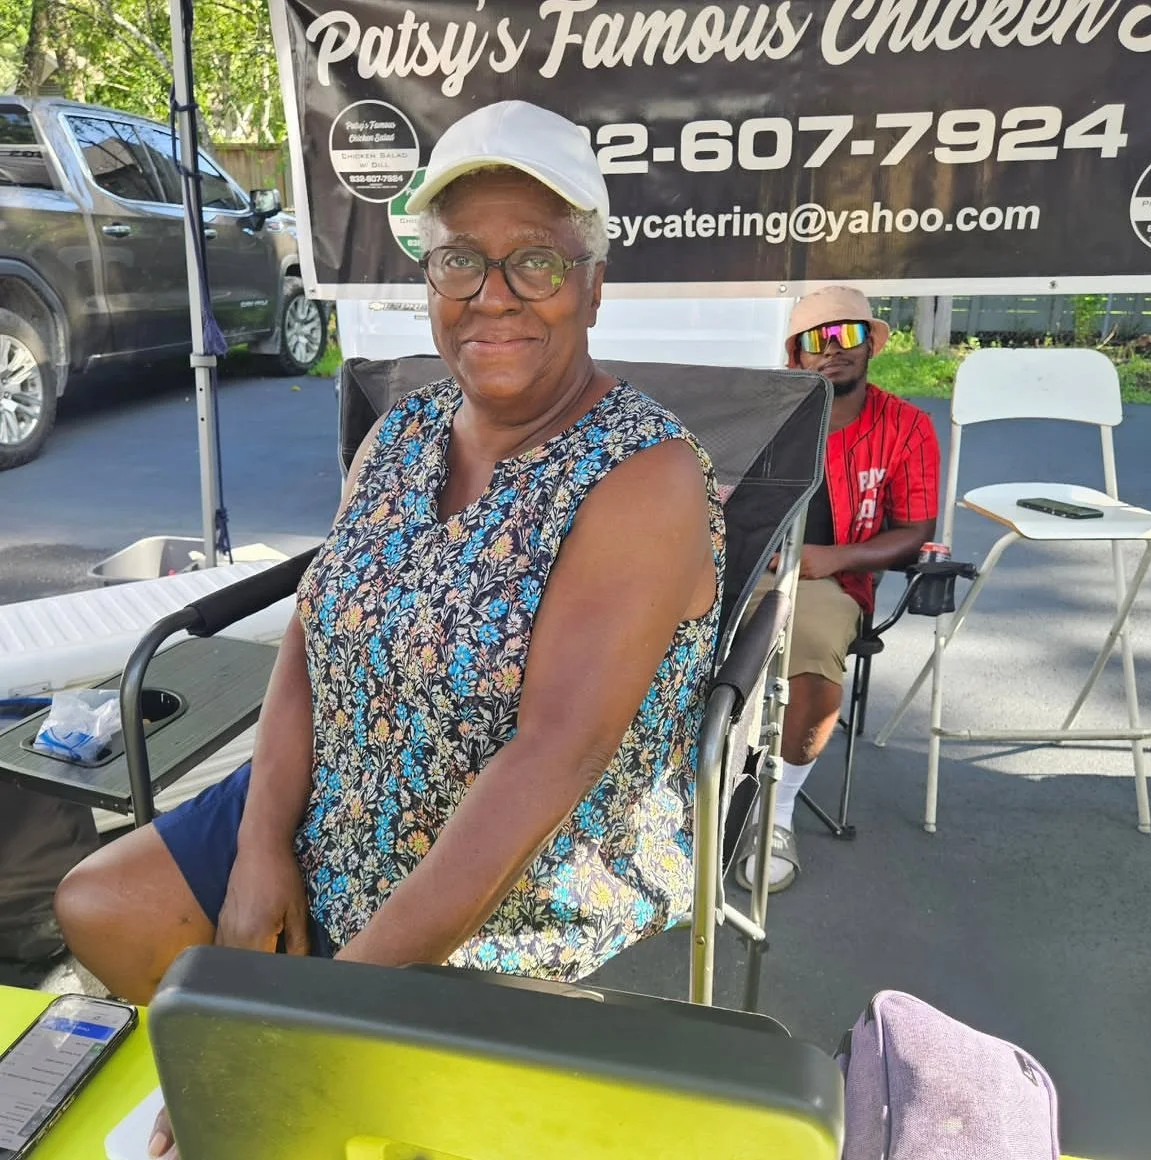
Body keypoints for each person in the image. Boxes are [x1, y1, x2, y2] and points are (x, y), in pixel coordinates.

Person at [54, 100, 725, 1154]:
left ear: (593, 280)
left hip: (511, 877)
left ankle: (309, 1090)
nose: (493, 296)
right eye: (461, 261)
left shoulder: (646, 478)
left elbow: (552, 758)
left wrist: (303, 1023)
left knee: (281, 1085)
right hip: (339, 803)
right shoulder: (403, 430)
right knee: (99, 902)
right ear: (428, 281)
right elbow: (312, 639)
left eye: (536, 263)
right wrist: (264, 843)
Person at [738, 286, 939, 893]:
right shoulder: (762, 415)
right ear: (795, 357)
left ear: (869, 345)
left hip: (829, 580)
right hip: (744, 568)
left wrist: (835, 557)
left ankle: (773, 814)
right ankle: (677, 792)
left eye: (846, 335)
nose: (832, 350)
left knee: (811, 651)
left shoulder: (907, 426)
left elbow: (916, 531)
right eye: (815, 341)